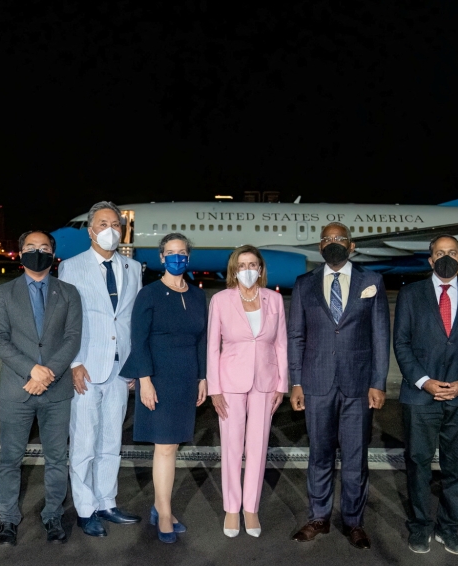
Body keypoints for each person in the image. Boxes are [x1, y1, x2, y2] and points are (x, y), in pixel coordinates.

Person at [288, 222, 390, 550]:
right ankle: (318, 517)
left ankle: (353, 521)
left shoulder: (371, 281)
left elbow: (380, 336)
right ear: (320, 246)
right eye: (327, 239)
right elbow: (296, 336)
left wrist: (378, 382)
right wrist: (295, 382)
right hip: (316, 383)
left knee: (355, 457)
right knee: (319, 454)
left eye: (339, 239)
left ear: (351, 245)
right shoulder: (304, 283)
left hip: (358, 385)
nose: (333, 243)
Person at [393, 234, 458, 556]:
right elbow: (402, 343)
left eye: (452, 252)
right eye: (439, 253)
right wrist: (424, 381)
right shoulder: (411, 294)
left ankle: (449, 528)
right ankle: (420, 527)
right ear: (430, 260)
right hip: (420, 396)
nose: (445, 257)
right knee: (418, 464)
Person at [0, 230, 82, 546]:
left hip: (56, 391)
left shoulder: (68, 292)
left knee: (57, 458)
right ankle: (8, 519)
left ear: (53, 254)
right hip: (17, 389)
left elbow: (72, 338)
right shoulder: (5, 292)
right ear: (20, 253)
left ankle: (53, 515)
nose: (37, 252)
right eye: (31, 247)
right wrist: (32, 370)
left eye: (44, 247)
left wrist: (48, 374)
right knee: (10, 459)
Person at [58, 201, 144, 537]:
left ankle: (107, 502)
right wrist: (74, 363)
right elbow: (67, 319)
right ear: (91, 230)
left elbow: (132, 320)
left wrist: (135, 364)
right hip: (87, 368)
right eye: (103, 224)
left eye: (115, 224)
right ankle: (85, 508)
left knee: (111, 440)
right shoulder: (71, 267)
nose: (110, 229)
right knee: (83, 441)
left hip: (121, 368)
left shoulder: (133, 268)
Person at [120, 233, 207, 543]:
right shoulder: (150, 294)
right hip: (159, 376)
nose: (177, 257)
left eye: (182, 252)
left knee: (174, 445)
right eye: (170, 252)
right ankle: (165, 513)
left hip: (186, 377)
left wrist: (203, 377)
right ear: (161, 257)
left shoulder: (198, 296)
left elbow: (202, 340)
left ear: (188, 257)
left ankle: (160, 507)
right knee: (165, 446)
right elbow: (138, 339)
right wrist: (144, 380)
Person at [207, 246, 288, 538]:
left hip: (266, 381)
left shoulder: (274, 299)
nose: (248, 270)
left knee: (258, 445)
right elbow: (212, 346)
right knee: (232, 446)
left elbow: (281, 343)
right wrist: (214, 388)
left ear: (261, 269)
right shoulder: (220, 300)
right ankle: (232, 507)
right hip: (230, 382)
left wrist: (282, 384)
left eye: (253, 264)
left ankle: (250, 507)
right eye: (242, 265)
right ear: (234, 270)